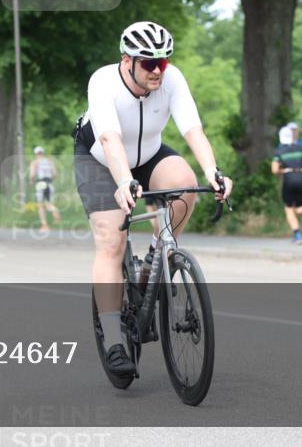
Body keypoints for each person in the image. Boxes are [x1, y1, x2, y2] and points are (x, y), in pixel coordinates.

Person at [73, 21, 232, 376]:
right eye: (149, 63)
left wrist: (213, 172)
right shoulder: (103, 81)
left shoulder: (171, 78)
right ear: (127, 60)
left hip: (149, 154)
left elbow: (193, 129)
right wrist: (125, 181)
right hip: (100, 159)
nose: (158, 70)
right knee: (112, 241)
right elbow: (111, 140)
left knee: (186, 185)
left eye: (164, 61)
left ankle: (152, 265)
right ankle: (114, 339)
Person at [272, 126, 302, 244]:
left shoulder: (279, 151)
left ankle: (298, 236)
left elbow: (274, 169)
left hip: (289, 177)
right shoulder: (301, 147)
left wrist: (282, 171)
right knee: (299, 206)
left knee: (289, 208)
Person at [30, 146, 62, 233]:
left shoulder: (35, 162)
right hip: (49, 183)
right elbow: (54, 174)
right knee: (49, 204)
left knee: (41, 205)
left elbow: (32, 175)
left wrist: (32, 181)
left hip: (40, 183)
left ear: (36, 154)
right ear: (43, 153)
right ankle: (55, 210)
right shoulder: (50, 161)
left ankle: (45, 226)